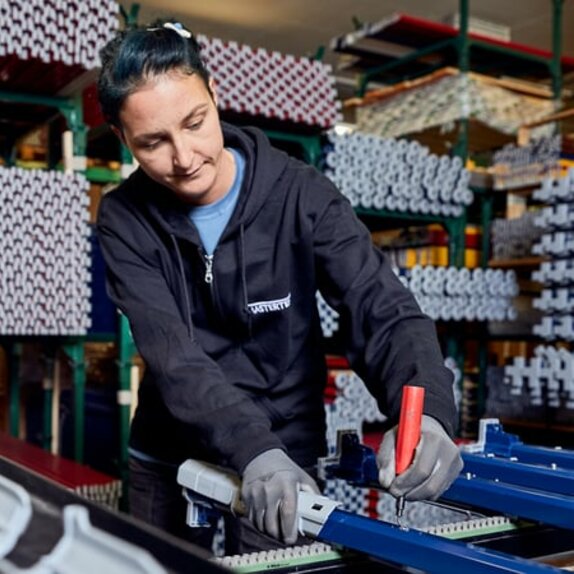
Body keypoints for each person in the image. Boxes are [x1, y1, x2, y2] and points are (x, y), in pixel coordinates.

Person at [96, 19, 463, 555]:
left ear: (214, 95)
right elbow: (173, 354)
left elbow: (379, 306)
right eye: (153, 142)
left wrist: (428, 409)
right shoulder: (124, 219)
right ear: (123, 138)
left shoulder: (301, 194)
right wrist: (251, 450)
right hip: (171, 451)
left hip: (284, 457)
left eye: (195, 122)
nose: (184, 157)